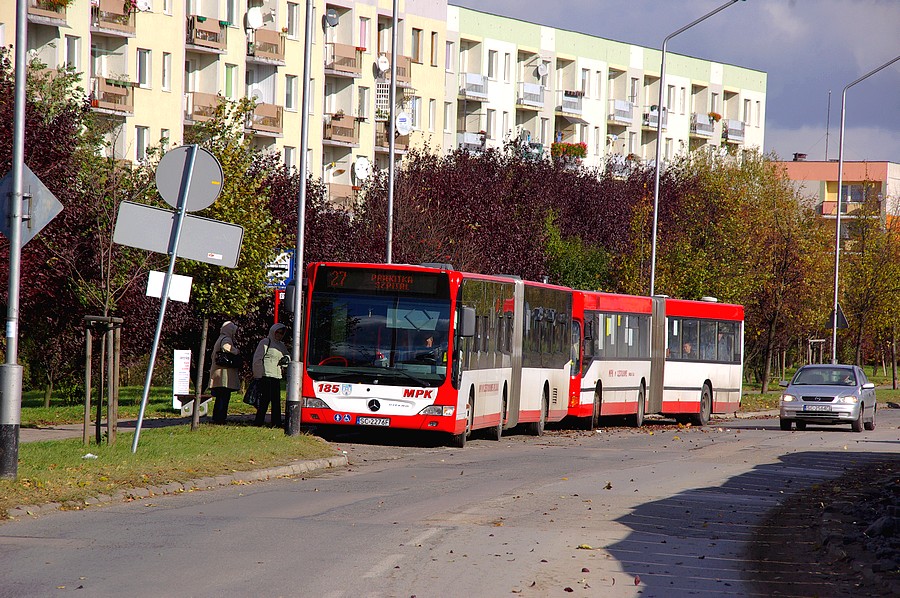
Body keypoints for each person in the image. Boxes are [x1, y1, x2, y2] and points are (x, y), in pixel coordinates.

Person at [252, 323, 289, 427]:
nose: (280, 335)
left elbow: (287, 355)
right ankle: (258, 422)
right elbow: (257, 358)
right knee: (264, 400)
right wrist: (258, 374)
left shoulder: (281, 345)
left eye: (282, 333)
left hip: (277, 375)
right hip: (266, 374)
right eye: (278, 332)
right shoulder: (265, 342)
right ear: (273, 331)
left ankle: (276, 423)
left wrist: (286, 359)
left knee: (276, 400)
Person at [209, 321, 241, 425]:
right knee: (224, 396)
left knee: (220, 397)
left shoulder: (220, 338)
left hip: (217, 371)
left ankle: (217, 417)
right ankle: (220, 418)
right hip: (224, 373)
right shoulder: (226, 339)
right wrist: (236, 351)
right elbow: (226, 347)